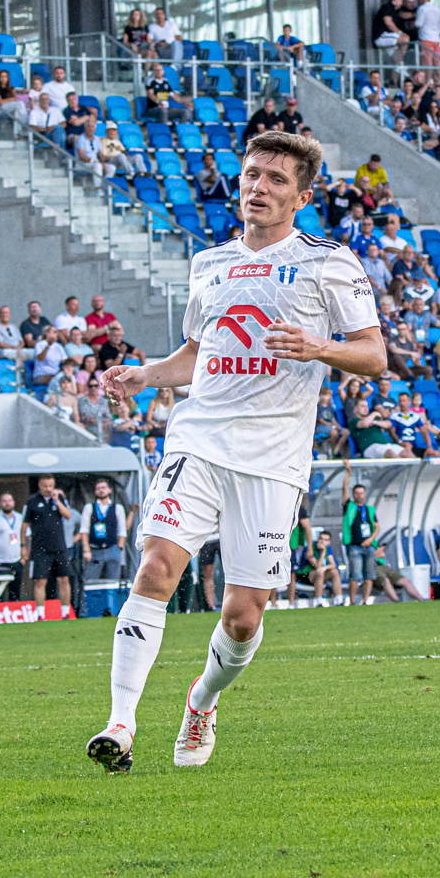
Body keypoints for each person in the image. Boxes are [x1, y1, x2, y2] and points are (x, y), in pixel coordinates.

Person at [87, 130, 383, 773]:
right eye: (252, 174)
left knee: (243, 616)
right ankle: (120, 724)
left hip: (274, 459)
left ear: (303, 197)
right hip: (198, 438)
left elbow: (375, 355)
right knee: (156, 568)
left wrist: (319, 347)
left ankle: (201, 701)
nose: (259, 187)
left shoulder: (330, 262)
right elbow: (199, 354)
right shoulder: (210, 263)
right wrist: (145, 375)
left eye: (277, 179)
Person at [24, 473, 75, 610]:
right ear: (39, 485)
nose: (48, 489)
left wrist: (57, 501)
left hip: (59, 547)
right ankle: (40, 613)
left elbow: (68, 515)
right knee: (40, 580)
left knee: (64, 579)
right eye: (45, 486)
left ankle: (65, 612)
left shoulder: (58, 498)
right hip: (40, 548)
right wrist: (24, 546)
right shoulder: (33, 501)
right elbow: (25, 524)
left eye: (51, 486)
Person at [341, 475, 380, 604]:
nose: (359, 495)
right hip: (354, 546)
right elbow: (344, 489)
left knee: (369, 576)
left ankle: (365, 601)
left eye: (361, 493)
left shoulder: (369, 509)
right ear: (353, 494)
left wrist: (370, 539)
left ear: (364, 494)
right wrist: (348, 473)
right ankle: (352, 601)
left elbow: (377, 528)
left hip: (369, 546)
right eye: (357, 493)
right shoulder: (349, 506)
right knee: (355, 575)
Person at [83, 479, 127, 583]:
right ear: (95, 492)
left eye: (103, 488)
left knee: (113, 582)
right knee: (90, 581)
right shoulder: (89, 507)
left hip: (112, 548)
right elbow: (84, 531)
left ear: (109, 490)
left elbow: (122, 530)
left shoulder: (118, 508)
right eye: (98, 488)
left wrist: (119, 547)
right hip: (94, 549)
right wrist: (86, 550)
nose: (101, 490)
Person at [0, 491, 23, 600]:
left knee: (15, 592)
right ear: (0, 504)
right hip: (0, 561)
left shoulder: (20, 517)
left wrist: (24, 556)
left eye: (9, 501)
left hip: (16, 560)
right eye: (4, 501)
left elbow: (27, 536)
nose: (7, 503)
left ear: (13, 502)